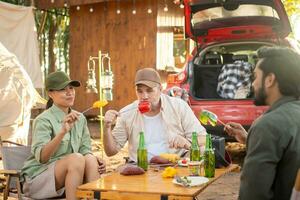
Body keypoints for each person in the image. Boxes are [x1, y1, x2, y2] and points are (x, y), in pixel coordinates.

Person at [224, 46, 300, 200]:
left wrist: (259, 134)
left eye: (255, 76)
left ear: (270, 80)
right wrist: (249, 139)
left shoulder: (267, 125)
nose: (253, 84)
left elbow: (253, 195)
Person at [20, 71, 106, 200]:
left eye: (71, 88)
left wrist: (95, 159)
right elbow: (42, 158)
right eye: (62, 89)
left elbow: (85, 150)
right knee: (76, 158)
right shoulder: (43, 120)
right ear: (50, 93)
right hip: (38, 179)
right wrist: (62, 133)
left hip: (70, 176)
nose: (69, 92)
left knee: (89, 159)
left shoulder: (80, 118)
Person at [104, 68, 206, 162]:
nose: (144, 96)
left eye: (149, 91)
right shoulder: (127, 113)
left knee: (204, 150)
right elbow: (110, 152)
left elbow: (203, 138)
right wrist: (107, 127)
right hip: (140, 166)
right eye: (140, 91)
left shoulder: (178, 106)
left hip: (175, 163)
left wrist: (187, 142)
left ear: (160, 89)